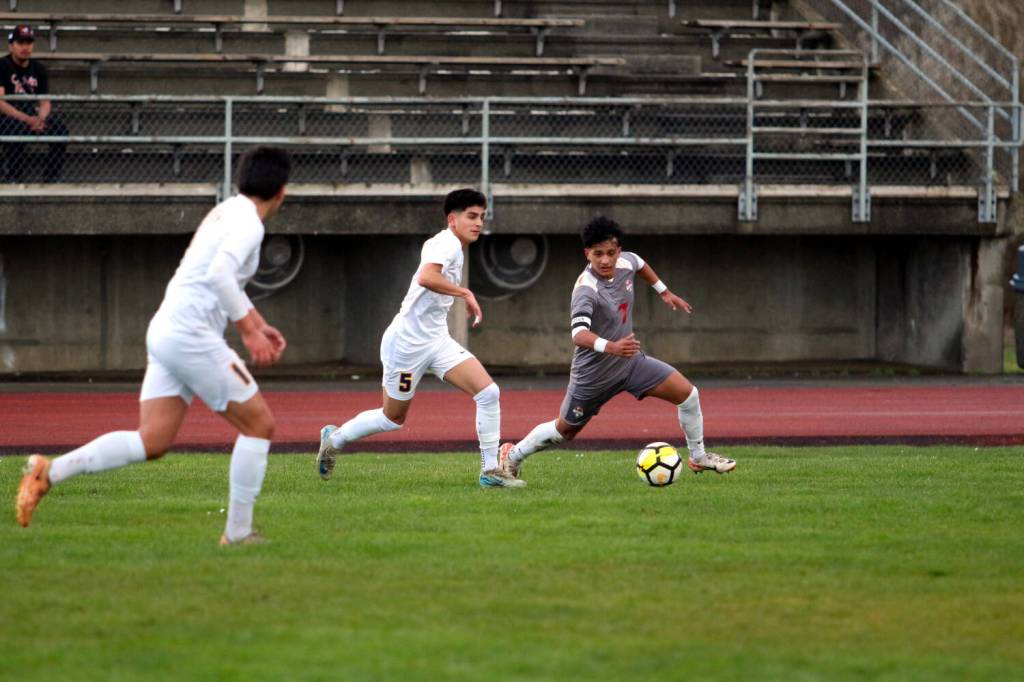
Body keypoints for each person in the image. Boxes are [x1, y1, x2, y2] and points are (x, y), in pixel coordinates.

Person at [16, 146, 292, 545]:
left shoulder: (228, 211)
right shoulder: (249, 223)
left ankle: (49, 472)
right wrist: (248, 331)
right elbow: (218, 275)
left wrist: (259, 324)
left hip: (166, 329)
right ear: (282, 191)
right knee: (260, 425)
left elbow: (215, 278)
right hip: (189, 335)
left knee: (153, 440)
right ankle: (238, 533)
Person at [498, 216, 736, 481]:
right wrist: (612, 346)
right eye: (597, 254)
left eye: (611, 253)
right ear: (587, 253)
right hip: (593, 376)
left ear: (618, 251)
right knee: (565, 430)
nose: (605, 260)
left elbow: (641, 264)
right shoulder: (586, 289)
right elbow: (578, 334)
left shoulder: (627, 261)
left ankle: (699, 457)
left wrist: (664, 291)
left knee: (688, 394)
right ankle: (512, 455)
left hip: (630, 364)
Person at [316, 188, 524, 488]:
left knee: (488, 393)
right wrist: (464, 292)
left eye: (481, 216)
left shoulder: (455, 246)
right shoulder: (445, 243)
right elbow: (426, 276)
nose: (478, 222)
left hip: (437, 341)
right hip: (407, 346)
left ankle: (490, 471)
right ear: (452, 220)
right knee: (392, 419)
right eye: (471, 216)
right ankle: (334, 439)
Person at [0, 24, 68, 183]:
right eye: (20, 43)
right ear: (11, 45)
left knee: (60, 129)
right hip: (7, 116)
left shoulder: (38, 68)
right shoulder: (2, 65)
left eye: (28, 43)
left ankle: (52, 178)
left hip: (31, 116)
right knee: (14, 128)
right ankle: (13, 177)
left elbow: (44, 101)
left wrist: (41, 119)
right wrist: (26, 119)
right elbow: (0, 102)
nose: (25, 47)